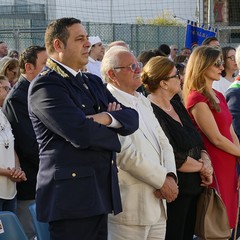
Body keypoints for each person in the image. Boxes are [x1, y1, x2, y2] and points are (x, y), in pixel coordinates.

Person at [28, 17, 139, 240]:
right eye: (80, 39)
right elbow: (81, 133)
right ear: (59, 45)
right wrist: (112, 129)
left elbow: (131, 118)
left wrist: (105, 118)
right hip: (71, 200)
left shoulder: (91, 81)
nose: (87, 44)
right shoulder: (46, 85)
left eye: (87, 38)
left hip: (98, 192)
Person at [101, 46, 178, 240]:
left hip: (158, 204)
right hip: (130, 210)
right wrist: (162, 180)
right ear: (112, 74)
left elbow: (164, 142)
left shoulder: (142, 100)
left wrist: (170, 176)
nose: (138, 70)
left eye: (138, 65)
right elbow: (125, 154)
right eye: (131, 66)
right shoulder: (108, 103)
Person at [141, 56, 213, 240]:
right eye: (176, 75)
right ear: (164, 83)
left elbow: (197, 139)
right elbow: (172, 155)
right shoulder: (149, 110)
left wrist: (205, 159)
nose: (181, 78)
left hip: (195, 187)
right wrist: (203, 167)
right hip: (175, 192)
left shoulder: (176, 104)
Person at [183, 45, 240, 229]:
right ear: (202, 65)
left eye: (221, 63)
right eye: (216, 64)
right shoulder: (197, 99)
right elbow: (215, 138)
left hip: (230, 161)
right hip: (215, 163)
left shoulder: (220, 96)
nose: (221, 68)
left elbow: (231, 133)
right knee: (217, 221)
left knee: (230, 219)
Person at [2, 45, 47, 240]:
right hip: (28, 181)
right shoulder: (19, 97)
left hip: (33, 178)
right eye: (45, 64)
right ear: (29, 68)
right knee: (27, 232)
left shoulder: (40, 91)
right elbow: (29, 143)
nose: (49, 69)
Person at [0, 79, 26, 212]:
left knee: (9, 233)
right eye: (5, 88)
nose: (9, 92)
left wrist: (17, 168)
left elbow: (11, 146)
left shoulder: (2, 114)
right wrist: (9, 173)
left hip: (10, 191)